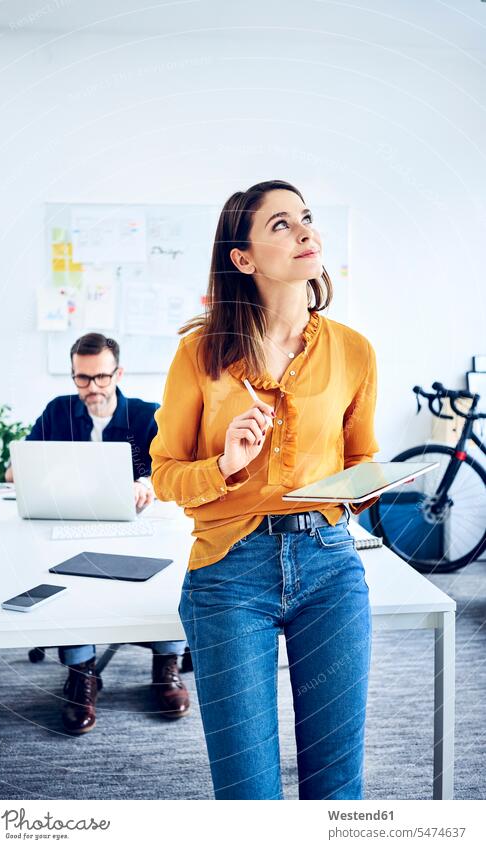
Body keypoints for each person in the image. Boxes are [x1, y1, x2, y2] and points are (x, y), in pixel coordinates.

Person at [150, 180, 379, 800]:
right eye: (281, 224)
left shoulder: (354, 351)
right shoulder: (199, 352)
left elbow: (361, 460)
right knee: (248, 793)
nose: (305, 232)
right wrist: (224, 465)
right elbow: (165, 472)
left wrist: (366, 487)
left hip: (330, 567)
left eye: (306, 218)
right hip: (228, 573)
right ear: (243, 259)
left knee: (337, 790)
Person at [6, 332, 189, 733]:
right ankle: (82, 671)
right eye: (82, 379)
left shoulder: (145, 415)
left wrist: (147, 483)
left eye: (101, 378)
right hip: (73, 527)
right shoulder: (58, 411)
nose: (92, 388)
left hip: (140, 527)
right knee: (63, 578)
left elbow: (170, 467)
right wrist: (36, 472)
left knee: (173, 570)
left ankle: (167, 663)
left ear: (118, 372)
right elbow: (15, 471)